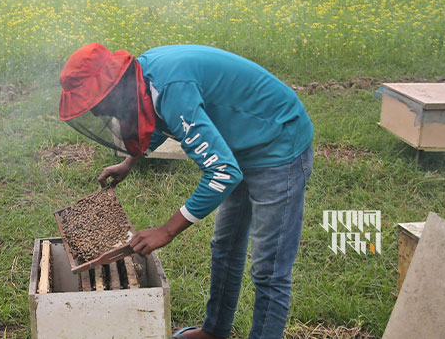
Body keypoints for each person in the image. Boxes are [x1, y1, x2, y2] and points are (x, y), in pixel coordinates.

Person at [59, 43, 313, 339]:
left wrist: (167, 230)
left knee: (269, 269)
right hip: (236, 145)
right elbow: (151, 117)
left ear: (116, 87)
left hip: (278, 144)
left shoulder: (171, 88)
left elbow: (222, 172)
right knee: (225, 247)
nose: (104, 113)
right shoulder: (143, 78)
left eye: (102, 105)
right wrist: (130, 161)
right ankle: (215, 331)